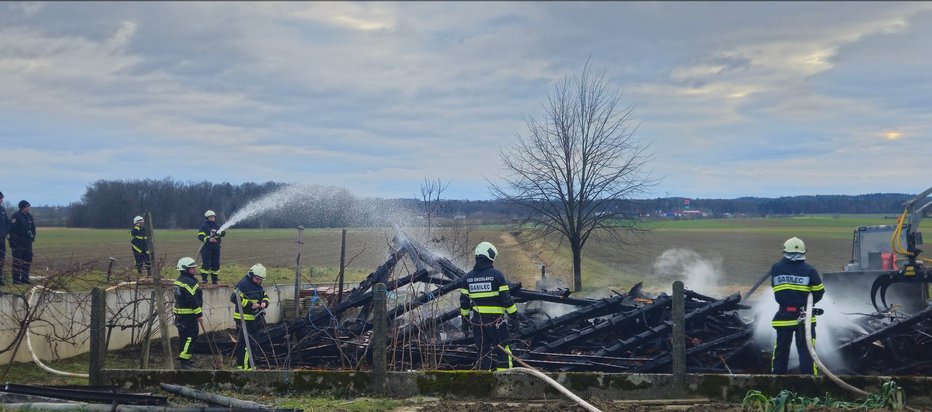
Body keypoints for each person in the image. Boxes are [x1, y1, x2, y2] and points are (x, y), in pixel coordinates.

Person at [459, 241, 521, 371]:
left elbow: (464, 304)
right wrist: (514, 317)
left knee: (482, 353)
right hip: (496, 323)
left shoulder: (467, 278)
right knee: (504, 353)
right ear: (490, 256)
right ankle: (505, 383)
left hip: (478, 323)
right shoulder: (497, 276)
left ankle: (483, 384)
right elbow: (507, 300)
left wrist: (465, 323)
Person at [770, 236, 825, 375]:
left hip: (783, 316)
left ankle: (776, 382)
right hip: (805, 317)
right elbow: (819, 292)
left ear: (785, 252)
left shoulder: (776, 268)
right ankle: (809, 385)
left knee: (781, 352)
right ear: (803, 252)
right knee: (807, 353)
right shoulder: (810, 271)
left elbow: (775, 288)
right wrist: (806, 300)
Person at [230, 263, 270, 370]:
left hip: (255, 319)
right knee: (249, 344)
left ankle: (241, 365)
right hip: (245, 319)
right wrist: (250, 305)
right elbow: (234, 298)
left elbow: (266, 296)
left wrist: (264, 303)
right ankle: (246, 367)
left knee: (247, 343)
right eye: (257, 279)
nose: (259, 281)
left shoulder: (257, 285)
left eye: (261, 279)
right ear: (251, 275)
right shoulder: (243, 285)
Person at [172, 257, 203, 369]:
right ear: (185, 269)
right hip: (189, 315)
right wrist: (199, 314)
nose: (194, 270)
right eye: (192, 268)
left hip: (180, 314)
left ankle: (183, 357)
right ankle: (185, 361)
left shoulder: (178, 281)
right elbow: (193, 300)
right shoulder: (189, 282)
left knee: (183, 336)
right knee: (191, 336)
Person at [8, 200, 36, 285]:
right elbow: (12, 229)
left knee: (27, 261)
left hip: (28, 243)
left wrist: (32, 237)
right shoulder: (16, 216)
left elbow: (33, 229)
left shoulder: (29, 216)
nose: (29, 208)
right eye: (27, 206)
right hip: (18, 244)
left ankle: (25, 278)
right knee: (17, 262)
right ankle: (16, 280)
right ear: (23, 207)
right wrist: (15, 239)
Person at [196, 210, 225, 284]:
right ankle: (204, 279)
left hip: (216, 247)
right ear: (207, 218)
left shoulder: (217, 226)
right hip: (206, 248)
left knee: (216, 264)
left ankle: (214, 280)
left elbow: (223, 233)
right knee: (206, 264)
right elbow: (200, 236)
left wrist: (219, 232)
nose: (212, 218)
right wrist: (209, 239)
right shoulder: (204, 226)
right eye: (211, 217)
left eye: (213, 216)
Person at [0, 191, 10, 285]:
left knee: (1, 259)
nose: (1, 200)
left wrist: (5, 232)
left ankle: (0, 278)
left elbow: (7, 222)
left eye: (2, 198)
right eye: (0, 198)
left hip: (1, 239)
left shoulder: (2, 210)